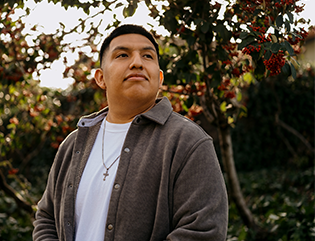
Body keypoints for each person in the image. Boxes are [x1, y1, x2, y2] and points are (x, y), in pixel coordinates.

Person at [33, 24, 228, 241]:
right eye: (123, 55)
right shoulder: (74, 144)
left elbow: (203, 231)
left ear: (160, 78)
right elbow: (46, 217)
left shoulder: (187, 142)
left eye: (147, 56)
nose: (137, 63)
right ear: (100, 78)